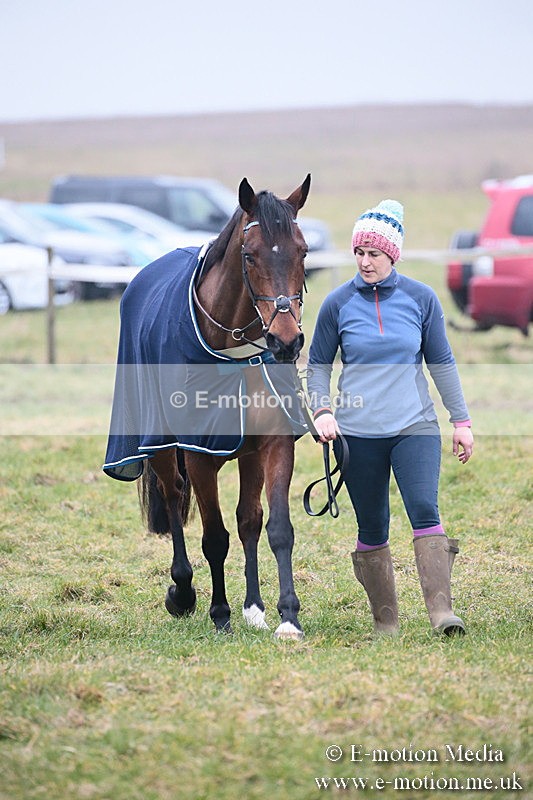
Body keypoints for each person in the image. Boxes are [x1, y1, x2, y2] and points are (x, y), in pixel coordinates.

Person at [307, 199, 474, 636]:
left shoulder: (421, 298)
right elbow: (319, 364)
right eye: (359, 253)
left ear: (392, 255)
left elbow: (442, 361)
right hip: (357, 433)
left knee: (424, 508)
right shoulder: (337, 304)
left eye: (374, 254)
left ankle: (442, 613)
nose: (364, 262)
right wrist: (322, 410)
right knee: (373, 524)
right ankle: (386, 622)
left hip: (414, 426)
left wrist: (461, 421)